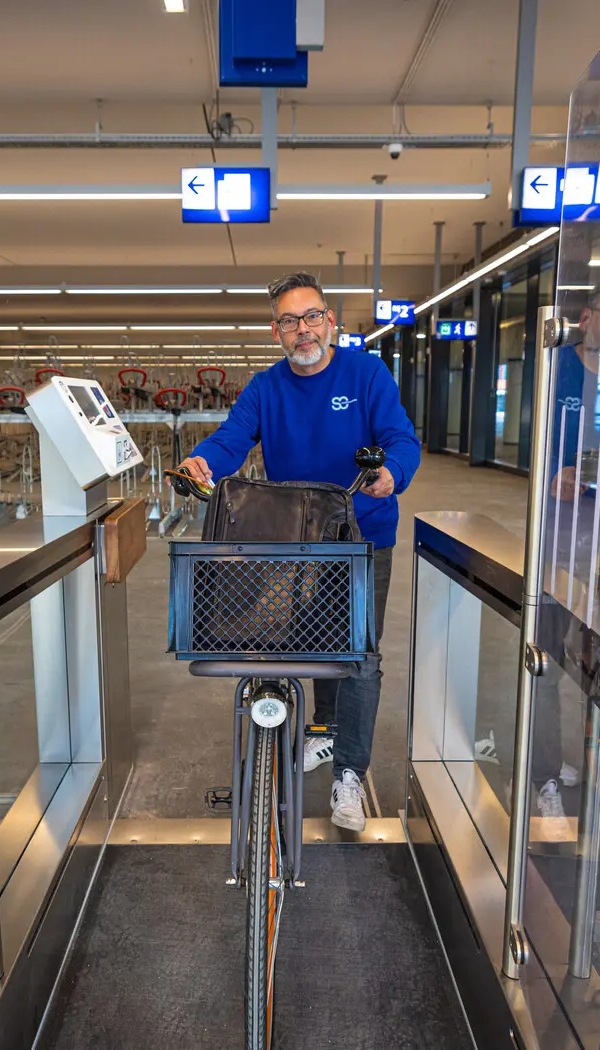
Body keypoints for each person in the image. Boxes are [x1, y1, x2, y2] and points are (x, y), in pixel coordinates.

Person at [176, 272, 421, 830]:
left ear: (331, 322)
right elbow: (231, 439)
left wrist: (392, 472)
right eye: (289, 321)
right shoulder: (265, 388)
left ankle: (350, 774)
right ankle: (325, 733)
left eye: (312, 317)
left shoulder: (366, 373)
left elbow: (402, 438)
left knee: (357, 651)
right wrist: (203, 463)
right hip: (295, 535)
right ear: (275, 332)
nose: (302, 330)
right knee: (309, 636)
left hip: (363, 534)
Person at [530, 282, 600, 821]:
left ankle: (599, 766)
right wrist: (553, 473)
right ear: (586, 317)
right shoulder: (558, 372)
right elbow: (536, 441)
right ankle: (546, 773)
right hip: (559, 536)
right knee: (547, 656)